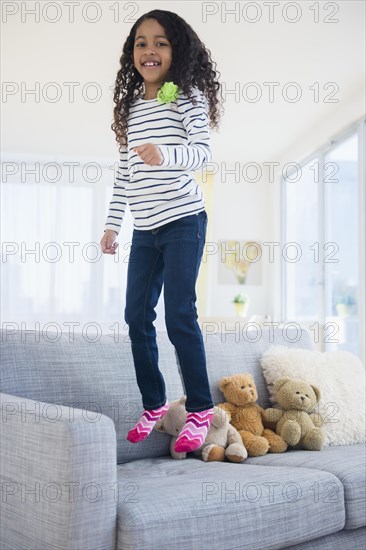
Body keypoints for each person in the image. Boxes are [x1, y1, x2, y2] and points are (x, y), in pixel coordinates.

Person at [100, 9, 222, 453]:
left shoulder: (183, 96)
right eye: (141, 43)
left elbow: (202, 154)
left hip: (183, 220)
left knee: (179, 315)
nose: (149, 50)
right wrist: (113, 225)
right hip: (146, 230)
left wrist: (165, 155)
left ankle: (201, 409)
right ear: (131, 52)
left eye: (161, 42)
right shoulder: (132, 109)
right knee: (136, 316)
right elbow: (125, 172)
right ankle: (154, 402)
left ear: (178, 50)